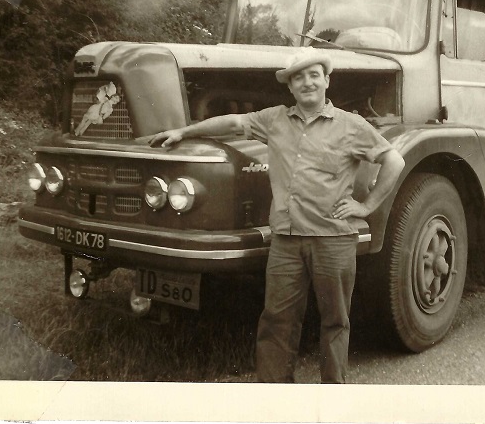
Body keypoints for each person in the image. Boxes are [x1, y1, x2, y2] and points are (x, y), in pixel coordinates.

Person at [149, 48, 405, 383]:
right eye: (298, 77)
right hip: (285, 242)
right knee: (277, 321)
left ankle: (332, 396)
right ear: (290, 86)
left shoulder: (351, 125)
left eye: (314, 75)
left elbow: (394, 162)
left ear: (326, 81)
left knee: (335, 322)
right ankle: (275, 399)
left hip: (333, 240)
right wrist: (184, 132)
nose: (307, 82)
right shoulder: (274, 120)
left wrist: (366, 207)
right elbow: (232, 123)